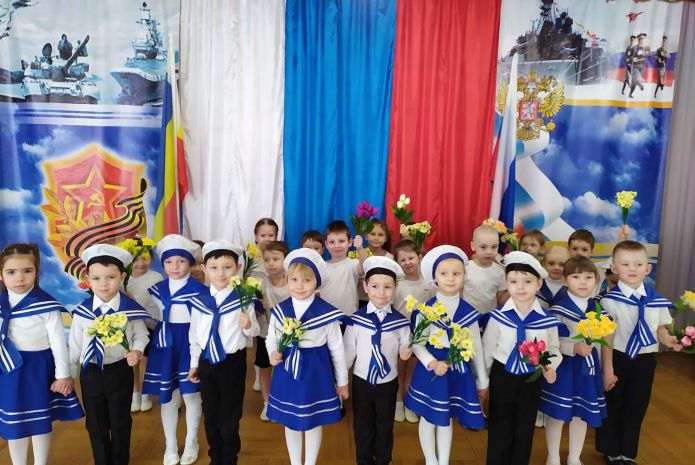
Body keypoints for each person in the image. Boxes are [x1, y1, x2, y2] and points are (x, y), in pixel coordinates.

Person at [596, 241, 682, 465]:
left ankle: (628, 452)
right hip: (618, 358)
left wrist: (669, 340)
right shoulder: (608, 301)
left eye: (638, 264)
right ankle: (611, 450)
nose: (632, 268)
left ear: (647, 268)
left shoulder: (656, 300)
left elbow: (660, 330)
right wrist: (608, 370)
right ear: (614, 268)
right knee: (614, 404)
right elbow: (606, 339)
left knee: (637, 405)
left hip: (645, 361)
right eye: (625, 264)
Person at [0, 243, 83, 465]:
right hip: (8, 369)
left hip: (38, 368)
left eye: (27, 271)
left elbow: (58, 342)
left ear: (36, 272)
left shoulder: (45, 305)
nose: (20, 278)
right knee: (14, 422)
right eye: (11, 272)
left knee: (40, 420)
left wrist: (63, 375)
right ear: (1, 274)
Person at [405, 245, 487, 465]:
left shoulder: (468, 313)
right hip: (432, 370)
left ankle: (444, 461)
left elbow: (476, 347)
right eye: (444, 273)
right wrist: (432, 363)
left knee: (446, 417)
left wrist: (482, 380)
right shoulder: (425, 310)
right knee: (429, 417)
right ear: (435, 278)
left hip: (457, 370)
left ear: (464, 276)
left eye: (456, 273)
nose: (450, 278)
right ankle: (430, 460)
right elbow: (417, 344)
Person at [68, 244, 150, 465]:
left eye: (111, 277)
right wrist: (67, 374)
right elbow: (74, 345)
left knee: (120, 421)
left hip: (119, 371)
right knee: (95, 424)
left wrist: (136, 351)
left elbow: (141, 335)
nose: (104, 284)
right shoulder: (83, 311)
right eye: (96, 278)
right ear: (88, 279)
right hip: (91, 372)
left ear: (122, 276)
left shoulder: (129, 309)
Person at [266, 248, 348, 465]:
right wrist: (272, 352)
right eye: (293, 279)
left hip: (316, 373)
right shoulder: (280, 310)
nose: (299, 286)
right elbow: (271, 338)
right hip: (287, 370)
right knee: (290, 422)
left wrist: (342, 381)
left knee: (313, 421)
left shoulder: (326, 313)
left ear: (316, 283)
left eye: (306, 280)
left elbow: (337, 349)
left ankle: (310, 462)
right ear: (287, 280)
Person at [483, 251, 562, 465]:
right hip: (503, 375)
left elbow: (554, 348)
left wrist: (550, 366)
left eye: (527, 281)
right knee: (500, 425)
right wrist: (483, 381)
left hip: (531, 377)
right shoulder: (499, 316)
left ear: (539, 284)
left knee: (525, 428)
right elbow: (488, 349)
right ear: (506, 283)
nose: (520, 287)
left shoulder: (546, 320)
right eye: (513, 281)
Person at [187, 240, 260, 465]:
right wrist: (194, 363)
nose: (220, 273)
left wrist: (248, 325)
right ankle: (215, 457)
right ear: (204, 269)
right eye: (214, 267)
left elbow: (255, 332)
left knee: (230, 416)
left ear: (237, 268)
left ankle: (229, 458)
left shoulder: (243, 298)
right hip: (207, 362)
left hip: (232, 363)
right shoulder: (200, 301)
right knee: (210, 414)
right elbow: (195, 335)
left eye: (227, 267)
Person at [143, 235, 207, 465]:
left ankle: (191, 441)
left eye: (181, 261)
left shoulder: (201, 291)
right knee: (168, 397)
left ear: (190, 263)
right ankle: (170, 445)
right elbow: (152, 317)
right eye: (169, 262)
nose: (175, 266)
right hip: (165, 346)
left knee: (191, 394)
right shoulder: (156, 290)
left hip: (190, 345)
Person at [539, 257, 607, 465]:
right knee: (558, 414)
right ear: (565, 280)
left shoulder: (597, 309)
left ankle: (574, 457)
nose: (583, 282)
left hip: (588, 370)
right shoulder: (557, 310)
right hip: (564, 369)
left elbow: (602, 340)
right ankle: (552, 456)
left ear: (596, 281)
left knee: (581, 414)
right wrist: (573, 347)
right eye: (576, 277)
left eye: (588, 277)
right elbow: (550, 342)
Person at [344, 256, 412, 465]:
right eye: (375, 286)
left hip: (388, 383)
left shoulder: (400, 321)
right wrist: (341, 380)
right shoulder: (356, 319)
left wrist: (406, 351)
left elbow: (405, 344)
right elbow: (349, 351)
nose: (381, 292)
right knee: (362, 425)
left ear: (395, 288)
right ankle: (364, 460)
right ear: (365, 287)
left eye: (387, 287)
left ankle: (383, 460)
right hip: (362, 381)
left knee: (385, 425)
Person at [392, 239, 433, 423]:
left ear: (420, 257)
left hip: (420, 335)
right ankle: (398, 403)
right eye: (402, 260)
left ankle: (409, 403)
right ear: (397, 263)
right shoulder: (397, 285)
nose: (407, 262)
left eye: (411, 258)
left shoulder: (428, 285)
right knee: (399, 369)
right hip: (399, 334)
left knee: (413, 371)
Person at [124, 238, 163, 413]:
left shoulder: (156, 277)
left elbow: (159, 304)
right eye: (135, 259)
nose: (140, 263)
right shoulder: (124, 278)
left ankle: (146, 393)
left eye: (145, 258)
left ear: (151, 259)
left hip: (150, 324)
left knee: (146, 360)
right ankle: (135, 393)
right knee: (132, 362)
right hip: (129, 326)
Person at [258, 240, 290, 421]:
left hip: (289, 335)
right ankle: (267, 403)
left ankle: (285, 400)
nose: (270, 263)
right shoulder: (261, 283)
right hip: (265, 333)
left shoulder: (293, 281)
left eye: (275, 259)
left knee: (286, 368)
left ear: (286, 259)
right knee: (264, 368)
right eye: (267, 259)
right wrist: (257, 305)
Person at [320, 220, 366, 316]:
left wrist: (360, 248)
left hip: (349, 315)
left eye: (341, 241)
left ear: (350, 242)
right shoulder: (322, 267)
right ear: (326, 244)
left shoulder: (352, 264)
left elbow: (364, 266)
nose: (337, 246)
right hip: (326, 316)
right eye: (332, 242)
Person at [463, 225, 508, 319]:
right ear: (473, 246)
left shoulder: (500, 271)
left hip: (490, 318)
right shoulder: (465, 269)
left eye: (494, 247)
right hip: (467, 318)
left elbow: (500, 301)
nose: (489, 252)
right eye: (483, 247)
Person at [357, 219, 393, 307]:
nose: (376, 238)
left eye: (380, 235)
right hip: (362, 300)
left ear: (386, 238)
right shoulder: (358, 254)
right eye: (372, 234)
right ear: (366, 236)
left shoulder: (390, 258)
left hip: (382, 300)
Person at [629, 34, 649, 98]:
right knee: (637, 78)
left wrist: (646, 53)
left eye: (642, 38)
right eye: (640, 38)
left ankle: (630, 94)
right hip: (635, 66)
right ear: (638, 39)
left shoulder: (645, 47)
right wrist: (633, 59)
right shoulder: (634, 48)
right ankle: (640, 85)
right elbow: (630, 56)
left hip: (642, 66)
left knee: (634, 82)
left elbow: (648, 53)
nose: (641, 40)